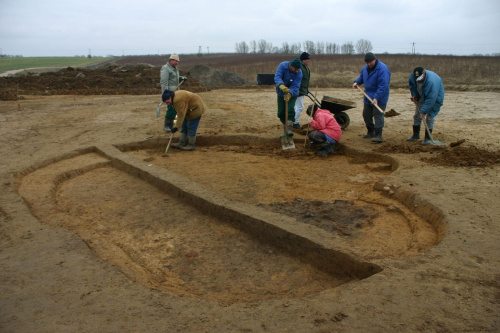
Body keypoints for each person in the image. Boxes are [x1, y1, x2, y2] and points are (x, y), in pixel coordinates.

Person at [352, 52, 391, 143]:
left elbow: (383, 85)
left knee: (377, 115)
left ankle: (378, 135)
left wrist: (376, 97)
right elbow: (362, 77)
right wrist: (357, 82)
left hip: (380, 96)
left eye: (370, 62)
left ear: (375, 59)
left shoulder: (382, 69)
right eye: (367, 63)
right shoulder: (365, 68)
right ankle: (371, 131)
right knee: (366, 114)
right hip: (368, 95)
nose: (369, 64)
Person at [407, 67, 445, 145]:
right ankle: (416, 135)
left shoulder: (431, 82)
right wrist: (414, 95)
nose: (418, 80)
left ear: (424, 74)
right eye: (417, 79)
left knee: (430, 117)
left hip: (435, 98)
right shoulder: (413, 76)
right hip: (421, 96)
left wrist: (423, 111)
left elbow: (431, 99)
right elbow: (412, 86)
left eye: (420, 78)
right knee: (417, 115)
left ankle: (427, 138)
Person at [274, 58, 303, 136]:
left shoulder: (299, 73)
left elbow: (296, 85)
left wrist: (290, 93)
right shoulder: (282, 66)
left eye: (298, 69)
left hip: (293, 94)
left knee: (290, 110)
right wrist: (281, 85)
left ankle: (289, 129)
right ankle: (285, 128)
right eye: (295, 68)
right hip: (281, 92)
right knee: (280, 113)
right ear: (291, 65)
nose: (297, 70)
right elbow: (278, 76)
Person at [160, 53, 187, 132]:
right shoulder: (165, 69)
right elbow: (164, 82)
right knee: (171, 109)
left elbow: (174, 78)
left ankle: (172, 125)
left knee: (175, 109)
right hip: (169, 93)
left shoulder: (175, 68)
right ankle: (166, 125)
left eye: (178, 61)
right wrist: (165, 93)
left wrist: (181, 78)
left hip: (176, 92)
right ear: (171, 60)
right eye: (175, 61)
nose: (177, 63)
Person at [293, 52, 311, 129]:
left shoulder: (304, 66)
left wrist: (306, 89)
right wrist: (298, 89)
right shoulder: (299, 67)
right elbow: (296, 79)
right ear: (303, 59)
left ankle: (291, 121)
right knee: (300, 107)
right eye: (307, 59)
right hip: (298, 90)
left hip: (302, 89)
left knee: (296, 106)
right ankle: (295, 122)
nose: (309, 60)